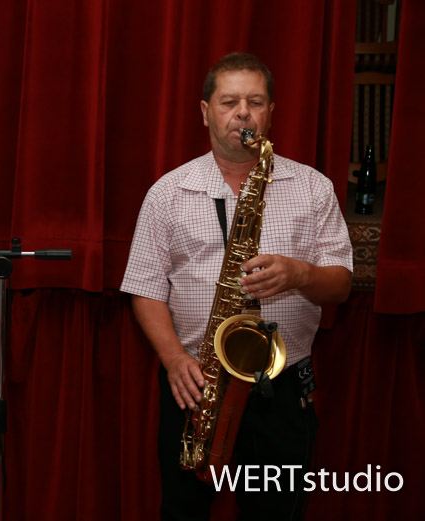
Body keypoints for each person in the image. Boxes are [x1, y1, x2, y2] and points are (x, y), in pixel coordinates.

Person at [120, 53, 353, 520]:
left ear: (271, 112)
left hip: (281, 388)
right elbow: (145, 287)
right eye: (229, 102)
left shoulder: (313, 188)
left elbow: (341, 284)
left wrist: (299, 274)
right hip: (196, 383)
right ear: (205, 111)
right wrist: (174, 360)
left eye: (255, 102)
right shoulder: (168, 192)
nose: (243, 113)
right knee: (183, 512)